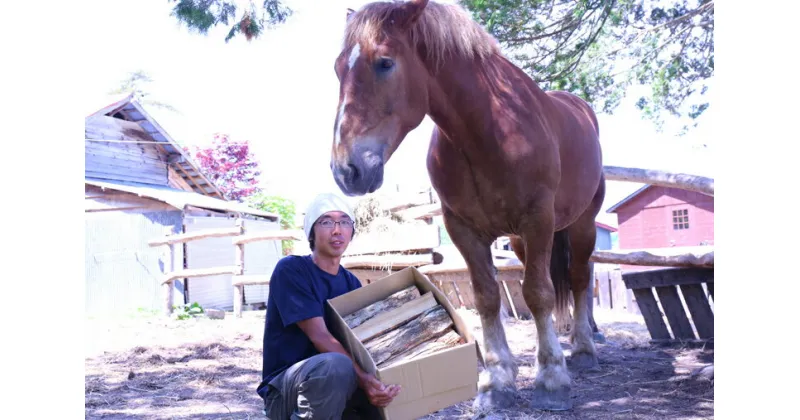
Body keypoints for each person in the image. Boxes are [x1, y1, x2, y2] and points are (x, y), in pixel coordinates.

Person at [256, 192, 402, 419]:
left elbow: (359, 345)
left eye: (344, 222)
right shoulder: (292, 270)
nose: (337, 230)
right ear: (311, 232)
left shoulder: (351, 282)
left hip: (338, 391)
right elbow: (321, 337)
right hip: (286, 393)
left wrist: (378, 385)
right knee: (337, 366)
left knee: (386, 390)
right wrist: (364, 380)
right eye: (326, 222)